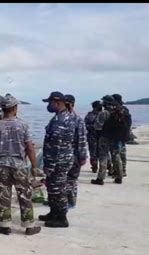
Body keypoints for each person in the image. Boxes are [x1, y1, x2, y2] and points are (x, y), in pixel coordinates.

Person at [0, 94, 41, 235]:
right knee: (24, 194)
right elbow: (29, 147)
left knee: (4, 194)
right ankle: (29, 226)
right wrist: (34, 167)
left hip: (2, 164)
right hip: (19, 165)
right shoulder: (22, 125)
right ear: (15, 108)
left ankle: (5, 225)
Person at [38, 91, 76, 228]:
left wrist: (50, 165)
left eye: (50, 103)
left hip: (59, 160)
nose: (49, 105)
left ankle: (62, 218)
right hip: (62, 159)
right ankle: (54, 213)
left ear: (57, 102)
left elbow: (55, 144)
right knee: (52, 188)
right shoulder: (64, 117)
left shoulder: (61, 120)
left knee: (58, 189)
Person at [91, 95, 127, 185]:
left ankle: (100, 178)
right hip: (115, 138)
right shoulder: (118, 112)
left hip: (104, 137)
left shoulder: (103, 113)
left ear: (106, 103)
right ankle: (119, 177)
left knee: (103, 157)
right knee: (116, 156)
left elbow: (97, 126)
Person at [64, 94, 87, 209]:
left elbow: (82, 140)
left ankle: (70, 202)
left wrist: (83, 156)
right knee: (64, 180)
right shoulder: (61, 118)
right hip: (63, 155)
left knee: (71, 180)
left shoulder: (78, 120)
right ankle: (65, 201)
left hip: (73, 155)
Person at [112, 94, 132, 177]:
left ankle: (118, 171)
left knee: (116, 154)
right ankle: (123, 170)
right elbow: (129, 122)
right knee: (122, 153)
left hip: (117, 135)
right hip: (124, 135)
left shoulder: (116, 110)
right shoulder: (126, 110)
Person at [84, 100, 102, 173]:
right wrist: (94, 127)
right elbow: (85, 125)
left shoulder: (103, 114)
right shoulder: (90, 115)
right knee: (93, 152)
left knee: (102, 153)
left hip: (101, 136)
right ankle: (94, 166)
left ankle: (107, 166)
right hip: (93, 136)